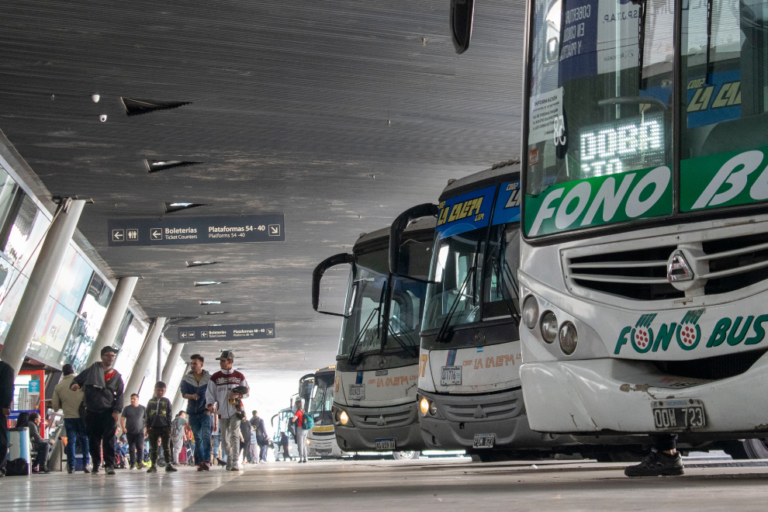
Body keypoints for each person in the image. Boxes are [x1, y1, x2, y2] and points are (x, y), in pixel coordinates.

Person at [71, 345, 124, 475]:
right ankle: (96, 462)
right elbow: (76, 380)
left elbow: (120, 394)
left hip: (108, 412)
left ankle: (109, 465)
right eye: (108, 355)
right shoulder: (91, 371)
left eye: (113, 356)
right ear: (102, 357)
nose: (111, 358)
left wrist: (116, 410)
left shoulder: (116, 376)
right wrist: (75, 385)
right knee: (93, 440)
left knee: (109, 439)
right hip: (91, 411)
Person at [206, 350, 249, 471]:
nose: (221, 363)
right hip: (222, 412)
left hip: (236, 410)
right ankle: (230, 457)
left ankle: (235, 461)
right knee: (224, 438)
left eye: (223, 361)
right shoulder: (215, 377)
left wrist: (238, 396)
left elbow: (247, 392)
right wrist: (210, 404)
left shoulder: (239, 376)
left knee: (235, 435)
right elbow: (210, 394)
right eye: (220, 361)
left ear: (230, 361)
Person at [52, 364, 90, 474]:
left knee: (71, 441)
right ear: (73, 371)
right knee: (84, 439)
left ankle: (71, 466)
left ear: (63, 373)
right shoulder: (81, 383)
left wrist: (63, 405)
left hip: (69, 417)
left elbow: (55, 406)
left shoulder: (59, 386)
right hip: (82, 416)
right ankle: (86, 464)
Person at [180, 353, 212, 471]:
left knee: (205, 437)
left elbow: (214, 394)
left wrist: (210, 409)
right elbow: (183, 393)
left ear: (201, 365)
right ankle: (199, 462)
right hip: (192, 413)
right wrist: (192, 396)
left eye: (195, 363)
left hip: (205, 412)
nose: (192, 365)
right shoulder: (186, 379)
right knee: (197, 438)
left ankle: (206, 461)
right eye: (191, 363)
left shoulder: (209, 379)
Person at [145, 381, 177, 473]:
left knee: (166, 447)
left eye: (162, 390)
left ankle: (168, 464)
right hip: (153, 427)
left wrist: (169, 427)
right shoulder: (151, 402)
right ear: (155, 390)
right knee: (153, 447)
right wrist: (148, 427)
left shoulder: (167, 402)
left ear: (165, 391)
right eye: (158, 390)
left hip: (165, 427)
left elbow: (169, 415)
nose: (160, 392)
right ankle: (153, 465)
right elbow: (147, 415)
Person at [120, 393, 146, 470]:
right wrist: (123, 428)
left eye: (134, 399)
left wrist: (146, 430)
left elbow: (146, 420)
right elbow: (122, 418)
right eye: (131, 399)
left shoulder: (142, 408)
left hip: (140, 431)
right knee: (131, 447)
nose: (132, 400)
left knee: (139, 446)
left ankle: (140, 462)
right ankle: (132, 464)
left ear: (137, 399)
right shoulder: (127, 409)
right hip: (130, 431)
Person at [0, 359, 14, 477]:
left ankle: (0, 467)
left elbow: (8, 387)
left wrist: (6, 405)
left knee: (1, 438)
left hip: (0, 407)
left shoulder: (5, 368)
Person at [292, 399, 308, 463]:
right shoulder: (302, 411)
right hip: (305, 429)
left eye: (295, 404)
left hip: (300, 429)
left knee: (300, 444)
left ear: (297, 405)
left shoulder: (298, 412)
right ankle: (305, 458)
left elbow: (293, 420)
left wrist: (292, 420)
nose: (294, 405)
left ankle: (301, 458)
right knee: (304, 444)